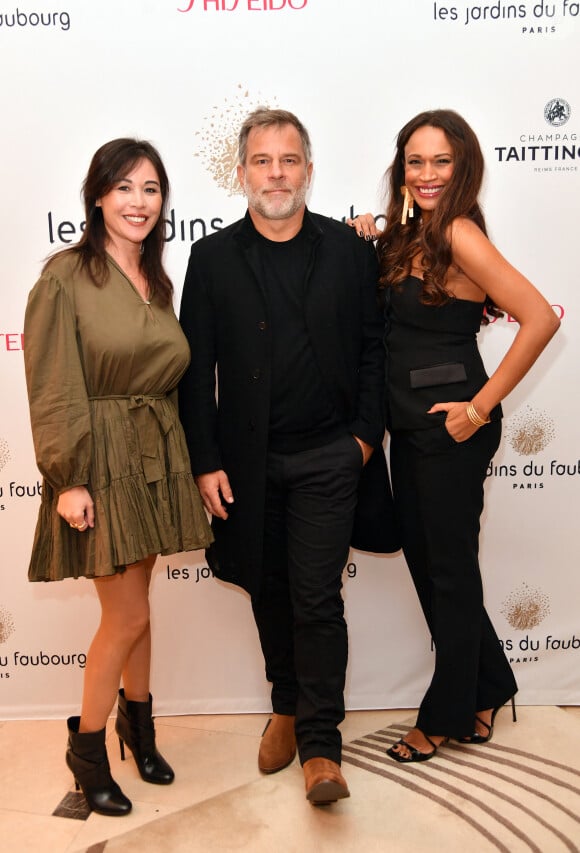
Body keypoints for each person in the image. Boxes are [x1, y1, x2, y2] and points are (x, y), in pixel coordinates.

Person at [178, 108, 395, 804]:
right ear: (240, 172)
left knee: (315, 597)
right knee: (268, 588)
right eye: (263, 161)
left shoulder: (349, 250)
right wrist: (206, 461)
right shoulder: (210, 258)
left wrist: (363, 439)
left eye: (290, 159)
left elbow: (373, 351)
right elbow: (195, 369)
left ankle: (321, 748)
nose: (277, 173)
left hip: (332, 455)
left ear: (309, 169)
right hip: (245, 463)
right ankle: (284, 703)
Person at [350, 109, 560, 762]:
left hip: (452, 433)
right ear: (401, 169)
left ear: (463, 166)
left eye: (441, 161)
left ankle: (443, 714)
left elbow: (538, 318)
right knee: (434, 566)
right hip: (409, 429)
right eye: (416, 161)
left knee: (448, 573)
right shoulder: (409, 237)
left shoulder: (462, 235)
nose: (428, 173)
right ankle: (490, 684)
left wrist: (480, 406)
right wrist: (366, 239)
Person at [24, 138, 213, 815]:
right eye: (125, 187)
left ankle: (141, 725)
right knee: (125, 612)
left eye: (151, 189)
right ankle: (88, 752)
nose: (139, 202)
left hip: (156, 454)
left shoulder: (157, 278)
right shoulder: (64, 277)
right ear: (98, 195)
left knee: (140, 609)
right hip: (98, 457)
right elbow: (52, 383)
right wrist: (68, 477)